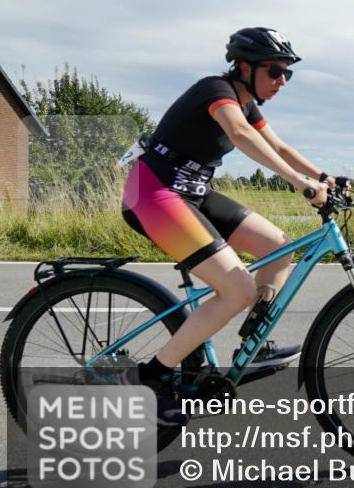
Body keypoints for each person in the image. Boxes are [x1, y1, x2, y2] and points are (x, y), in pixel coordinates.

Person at [120, 27, 332, 425]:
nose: (282, 80)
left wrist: (323, 176)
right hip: (153, 194)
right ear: (245, 68)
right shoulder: (215, 90)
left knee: (279, 247)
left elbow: (279, 146)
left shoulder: (248, 105)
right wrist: (298, 183)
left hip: (193, 193)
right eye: (275, 71)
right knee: (237, 290)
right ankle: (152, 376)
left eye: (287, 72)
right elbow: (239, 133)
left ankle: (254, 346)